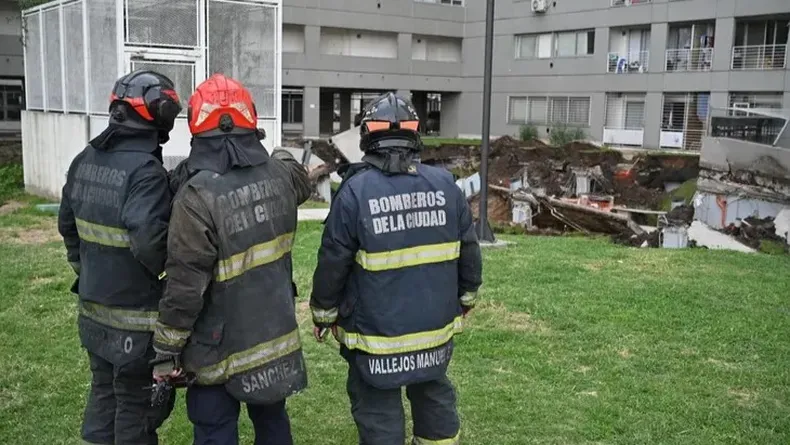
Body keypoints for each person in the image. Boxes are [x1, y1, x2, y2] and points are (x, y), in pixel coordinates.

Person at [309, 92, 483, 445]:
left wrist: (323, 314)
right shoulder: (447, 186)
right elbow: (469, 251)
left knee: (377, 405)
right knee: (433, 392)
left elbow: (333, 262)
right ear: (414, 134)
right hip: (433, 331)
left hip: (376, 337)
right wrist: (466, 298)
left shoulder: (355, 192)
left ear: (367, 136)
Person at [151, 74, 312, 445]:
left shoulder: (195, 197)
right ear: (250, 119)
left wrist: (166, 349)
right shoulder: (282, 176)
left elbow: (184, 287)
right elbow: (292, 167)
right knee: (273, 424)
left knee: (214, 430)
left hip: (214, 348)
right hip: (273, 337)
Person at [57, 70, 182, 445]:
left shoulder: (85, 159)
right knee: (135, 405)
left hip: (92, 312)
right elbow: (148, 239)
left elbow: (67, 226)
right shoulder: (145, 170)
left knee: (102, 391)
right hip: (134, 321)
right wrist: (170, 276)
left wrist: (87, 271)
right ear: (158, 113)